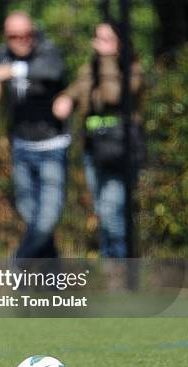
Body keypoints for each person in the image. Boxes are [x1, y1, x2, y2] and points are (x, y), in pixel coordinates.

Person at [0, 11, 69, 259]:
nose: (21, 40)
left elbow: (50, 71)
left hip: (52, 146)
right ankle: (51, 277)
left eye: (26, 34)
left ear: (33, 33)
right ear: (6, 37)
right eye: (14, 36)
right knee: (32, 219)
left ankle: (19, 263)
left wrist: (5, 72)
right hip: (21, 147)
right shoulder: (3, 54)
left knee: (47, 218)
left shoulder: (47, 50)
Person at [53, 22, 144, 258]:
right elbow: (77, 90)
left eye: (107, 39)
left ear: (120, 43)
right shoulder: (89, 68)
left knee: (112, 210)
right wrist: (65, 99)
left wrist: (107, 59)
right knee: (103, 213)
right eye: (98, 38)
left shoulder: (130, 69)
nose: (100, 44)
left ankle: (123, 270)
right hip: (94, 147)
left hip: (120, 148)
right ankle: (110, 267)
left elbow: (113, 95)